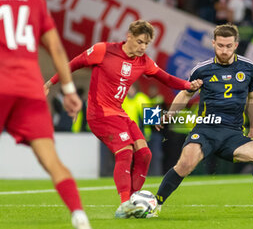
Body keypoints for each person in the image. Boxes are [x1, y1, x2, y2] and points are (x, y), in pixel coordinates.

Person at [44, 20, 203, 218]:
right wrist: (50, 82)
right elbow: (73, 64)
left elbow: (166, 78)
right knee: (125, 153)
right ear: (129, 36)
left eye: (146, 43)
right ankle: (124, 204)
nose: (143, 47)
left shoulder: (143, 61)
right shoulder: (103, 50)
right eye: (139, 42)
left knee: (145, 154)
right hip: (100, 114)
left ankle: (135, 201)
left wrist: (188, 86)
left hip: (119, 114)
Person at [150, 24, 253, 217]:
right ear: (213, 43)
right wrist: (169, 115)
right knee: (185, 164)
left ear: (236, 45)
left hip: (233, 134)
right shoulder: (202, 69)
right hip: (206, 130)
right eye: (220, 46)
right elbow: (185, 94)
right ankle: (155, 204)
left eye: (229, 46)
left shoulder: (250, 69)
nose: (224, 50)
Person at [0, 0, 91, 229]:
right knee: (52, 161)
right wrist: (69, 90)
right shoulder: (35, 1)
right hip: (30, 88)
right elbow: (56, 48)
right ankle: (79, 216)